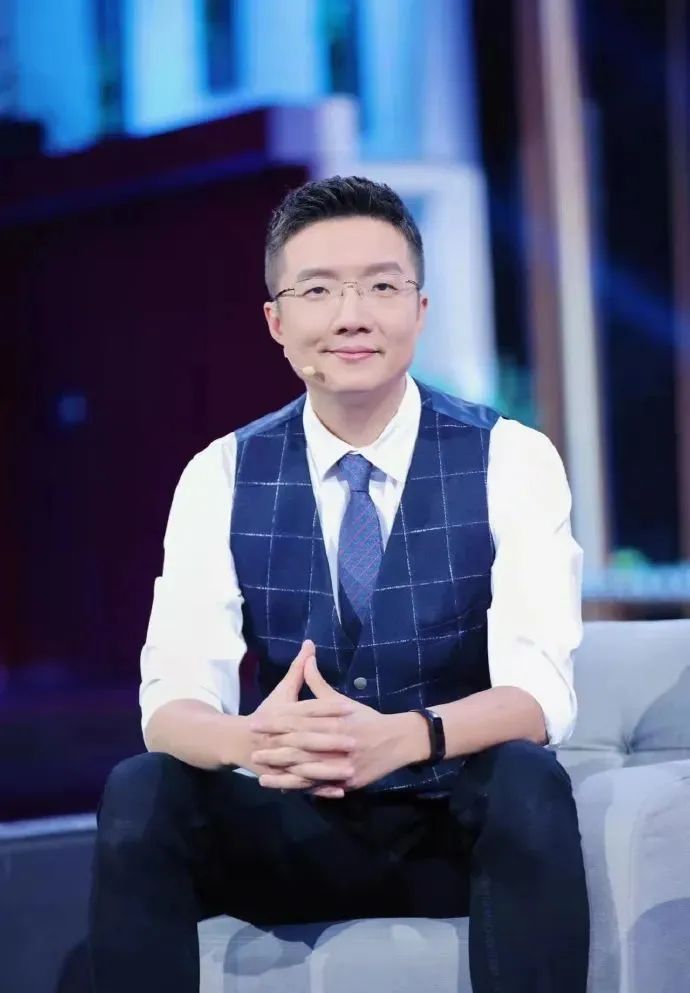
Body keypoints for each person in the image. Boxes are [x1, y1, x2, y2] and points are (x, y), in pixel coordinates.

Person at [89, 175, 589, 993]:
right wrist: (256, 741)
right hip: (289, 832)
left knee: (528, 781)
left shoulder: (512, 457)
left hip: (450, 832)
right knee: (141, 789)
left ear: (419, 311)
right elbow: (171, 704)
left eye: (381, 287)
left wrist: (401, 737)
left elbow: (539, 695)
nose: (352, 315)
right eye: (319, 290)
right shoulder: (221, 473)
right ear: (277, 322)